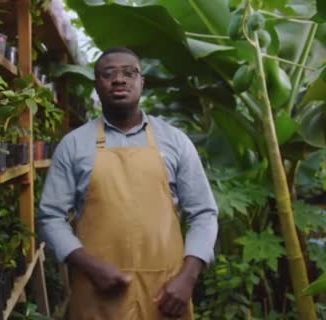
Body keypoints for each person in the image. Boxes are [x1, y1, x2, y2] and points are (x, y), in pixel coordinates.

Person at [37, 47, 218, 320]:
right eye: (108, 73)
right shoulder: (73, 145)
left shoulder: (175, 141)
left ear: (141, 82)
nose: (119, 79)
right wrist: (90, 266)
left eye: (129, 73)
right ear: (97, 85)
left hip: (167, 294)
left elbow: (204, 213)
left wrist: (188, 278)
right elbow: (50, 217)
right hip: (96, 292)